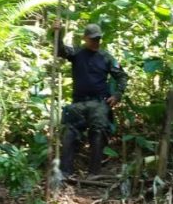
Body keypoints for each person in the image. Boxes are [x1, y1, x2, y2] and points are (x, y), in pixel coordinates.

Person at [52, 20, 128, 177]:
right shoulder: (77, 53)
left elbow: (122, 76)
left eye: (98, 39)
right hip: (78, 102)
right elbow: (60, 51)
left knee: (98, 132)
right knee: (69, 132)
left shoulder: (106, 57)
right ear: (85, 38)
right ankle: (65, 171)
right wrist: (57, 33)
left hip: (99, 102)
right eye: (93, 39)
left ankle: (94, 172)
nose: (96, 42)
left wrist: (117, 95)